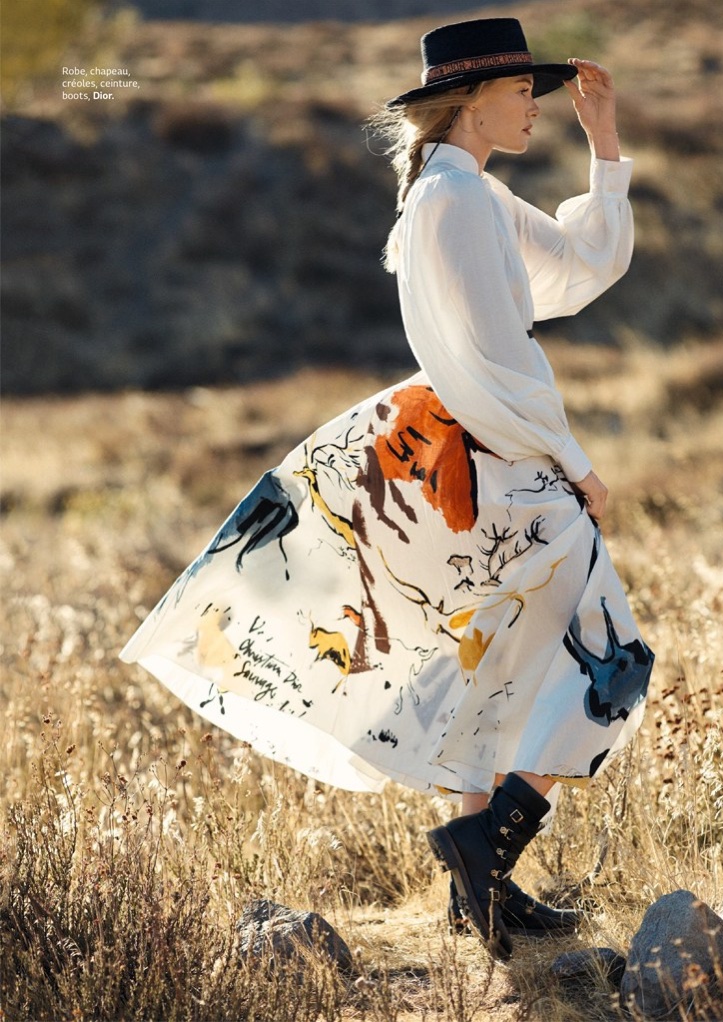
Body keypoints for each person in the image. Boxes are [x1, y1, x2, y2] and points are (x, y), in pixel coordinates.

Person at [120, 17, 654, 961]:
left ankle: (478, 891)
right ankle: (474, 851)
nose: (535, 103)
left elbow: (579, 272)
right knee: (611, 663)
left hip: (479, 458)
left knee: (489, 668)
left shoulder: (468, 193)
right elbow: (492, 361)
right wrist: (574, 463)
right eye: (522, 90)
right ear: (473, 97)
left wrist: (604, 145)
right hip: (488, 465)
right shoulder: (452, 202)